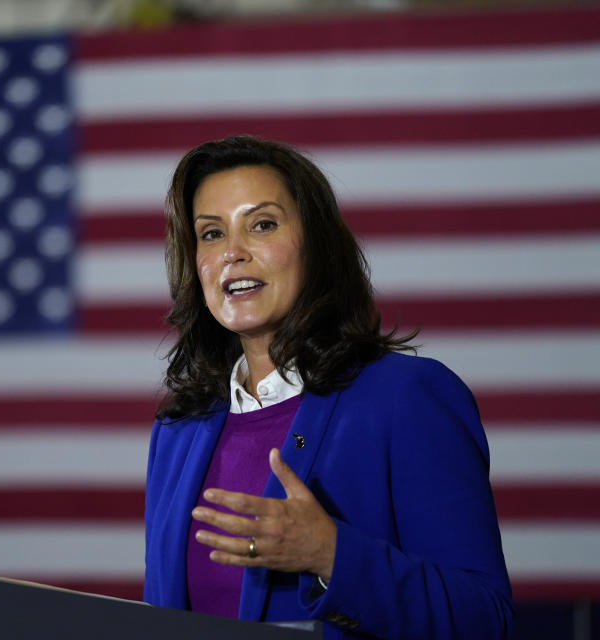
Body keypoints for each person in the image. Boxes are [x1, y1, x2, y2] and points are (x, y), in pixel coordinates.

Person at [142, 135, 514, 639]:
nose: (233, 252)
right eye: (210, 234)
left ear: (316, 245)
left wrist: (330, 556)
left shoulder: (405, 400)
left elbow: (487, 621)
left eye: (263, 225)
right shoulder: (178, 431)